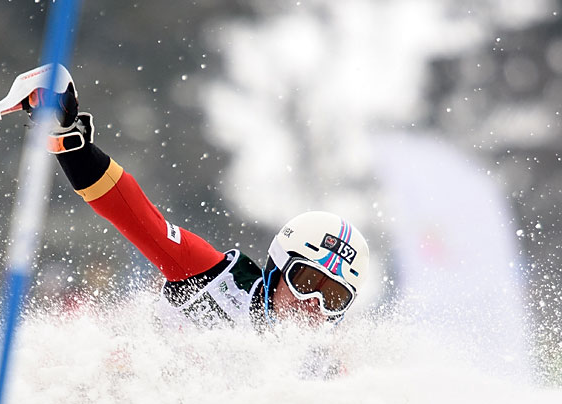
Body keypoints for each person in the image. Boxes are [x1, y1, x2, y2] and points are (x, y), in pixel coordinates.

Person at [24, 83, 370, 330]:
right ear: (279, 267)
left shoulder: (323, 368)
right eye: (306, 281)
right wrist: (70, 140)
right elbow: (135, 216)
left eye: (335, 299)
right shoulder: (213, 278)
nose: (314, 305)